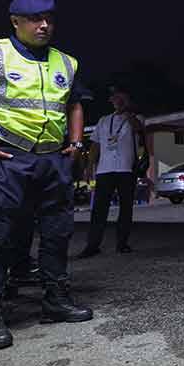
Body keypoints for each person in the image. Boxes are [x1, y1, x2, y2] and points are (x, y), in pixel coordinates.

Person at [0, 0, 93, 352]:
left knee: (58, 233)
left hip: (53, 161)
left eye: (48, 18)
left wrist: (75, 145)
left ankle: (56, 300)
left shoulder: (67, 61)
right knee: (0, 237)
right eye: (33, 19)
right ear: (15, 21)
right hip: (9, 158)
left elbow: (75, 104)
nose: (43, 25)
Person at [78, 85, 151, 258]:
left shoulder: (136, 118)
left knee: (125, 209)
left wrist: (127, 110)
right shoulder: (104, 120)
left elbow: (138, 129)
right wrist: (89, 166)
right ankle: (92, 245)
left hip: (126, 169)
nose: (116, 101)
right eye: (114, 98)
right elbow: (95, 145)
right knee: (99, 210)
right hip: (105, 170)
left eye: (120, 98)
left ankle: (122, 243)